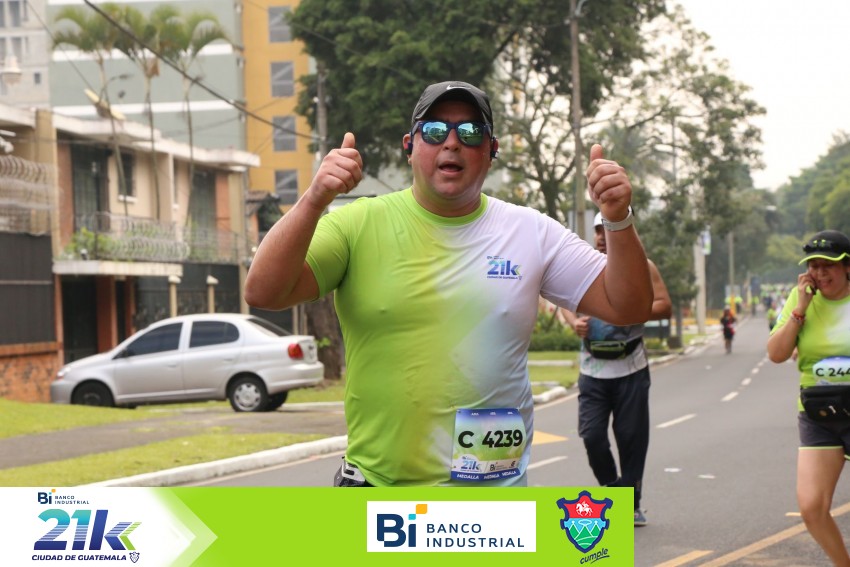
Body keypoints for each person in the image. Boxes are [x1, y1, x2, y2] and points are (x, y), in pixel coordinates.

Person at [244, 80, 653, 487]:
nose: (452, 143)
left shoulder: (531, 231)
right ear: (410, 146)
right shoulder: (358, 223)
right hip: (380, 494)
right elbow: (263, 291)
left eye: (471, 132)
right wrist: (315, 198)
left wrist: (617, 217)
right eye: (435, 130)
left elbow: (628, 306)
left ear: (491, 151)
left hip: (494, 501)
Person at [561, 212, 672, 526]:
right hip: (592, 371)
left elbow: (664, 305)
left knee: (631, 440)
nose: (601, 237)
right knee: (592, 436)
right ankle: (613, 490)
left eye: (607, 230)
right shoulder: (583, 266)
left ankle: (630, 505)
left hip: (631, 369)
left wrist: (631, 310)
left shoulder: (643, 267)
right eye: (598, 230)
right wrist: (574, 323)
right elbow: (563, 302)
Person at [767, 230, 850, 566]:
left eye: (828, 265)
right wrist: (800, 310)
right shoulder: (799, 299)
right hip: (819, 414)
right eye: (813, 266)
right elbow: (776, 354)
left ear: (847, 266)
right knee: (812, 507)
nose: (820, 273)